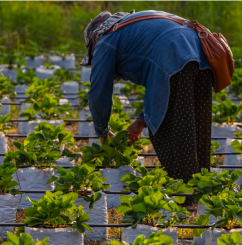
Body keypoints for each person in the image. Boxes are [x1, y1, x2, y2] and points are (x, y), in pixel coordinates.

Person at [81, 10, 214, 210]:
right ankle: (202, 193)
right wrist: (141, 120)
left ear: (93, 39)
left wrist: (103, 134)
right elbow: (159, 80)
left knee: (167, 128)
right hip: (202, 54)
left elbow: (98, 92)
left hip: (174, 56)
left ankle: (185, 199)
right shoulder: (133, 25)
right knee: (195, 124)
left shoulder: (105, 40)